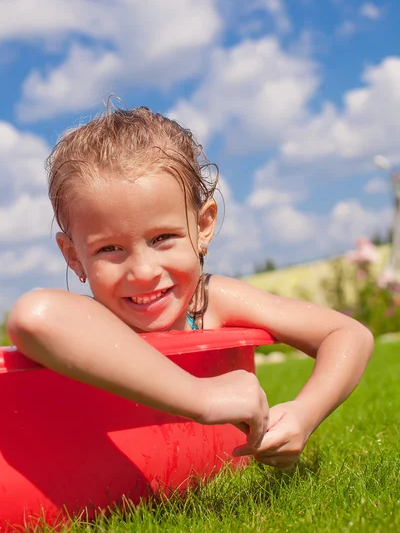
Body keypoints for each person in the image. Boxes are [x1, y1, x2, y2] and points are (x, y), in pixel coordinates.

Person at [7, 107, 374, 470]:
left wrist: (303, 414)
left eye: (163, 238)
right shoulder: (88, 324)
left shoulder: (209, 302)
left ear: (203, 226)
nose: (143, 271)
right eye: (109, 249)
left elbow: (349, 334)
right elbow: (33, 317)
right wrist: (202, 397)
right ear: (73, 257)